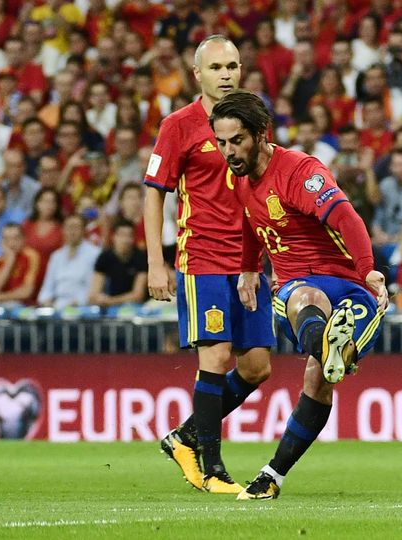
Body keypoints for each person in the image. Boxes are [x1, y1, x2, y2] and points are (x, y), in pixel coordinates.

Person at [210, 90, 389, 500]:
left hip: (353, 284)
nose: (229, 151)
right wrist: (249, 267)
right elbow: (251, 221)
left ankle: (272, 476)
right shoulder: (240, 179)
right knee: (307, 300)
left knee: (317, 378)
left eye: (236, 140)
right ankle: (334, 349)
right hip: (296, 284)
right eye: (221, 142)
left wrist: (368, 270)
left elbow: (346, 217)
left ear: (261, 134)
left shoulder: (299, 172)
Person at [142, 35, 274, 495]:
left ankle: (185, 436)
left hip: (249, 260)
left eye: (232, 66)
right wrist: (155, 263)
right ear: (197, 74)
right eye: (216, 67)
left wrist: (271, 256)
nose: (226, 74)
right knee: (216, 355)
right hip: (202, 257)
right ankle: (213, 469)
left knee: (257, 367)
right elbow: (154, 194)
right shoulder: (178, 125)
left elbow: (264, 185)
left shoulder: (254, 120)